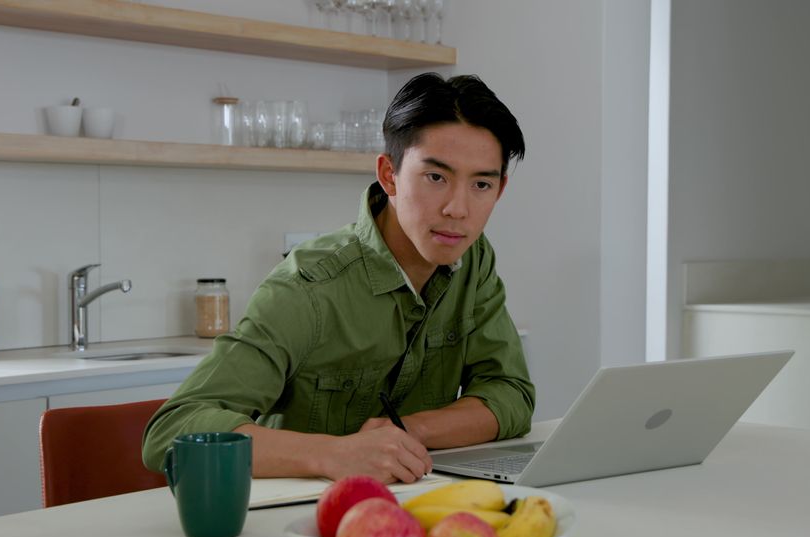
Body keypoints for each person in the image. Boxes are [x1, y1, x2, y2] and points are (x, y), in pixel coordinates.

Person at [142, 72, 534, 484]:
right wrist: (331, 454)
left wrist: (407, 431)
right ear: (388, 175)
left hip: (415, 510)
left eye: (481, 184)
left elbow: (511, 394)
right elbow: (171, 431)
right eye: (436, 177)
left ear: (500, 189)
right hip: (291, 520)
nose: (459, 209)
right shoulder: (308, 288)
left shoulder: (472, 260)